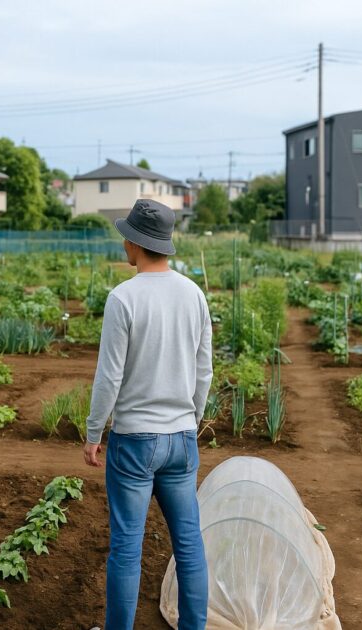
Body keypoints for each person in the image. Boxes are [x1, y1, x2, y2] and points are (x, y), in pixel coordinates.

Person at [83, 199, 212, 630]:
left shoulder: (123, 298)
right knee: (189, 544)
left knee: (126, 547)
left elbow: (109, 376)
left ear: (136, 243)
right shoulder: (193, 294)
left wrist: (93, 431)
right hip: (181, 438)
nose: (123, 242)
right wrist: (192, 417)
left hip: (134, 441)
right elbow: (203, 368)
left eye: (126, 236)